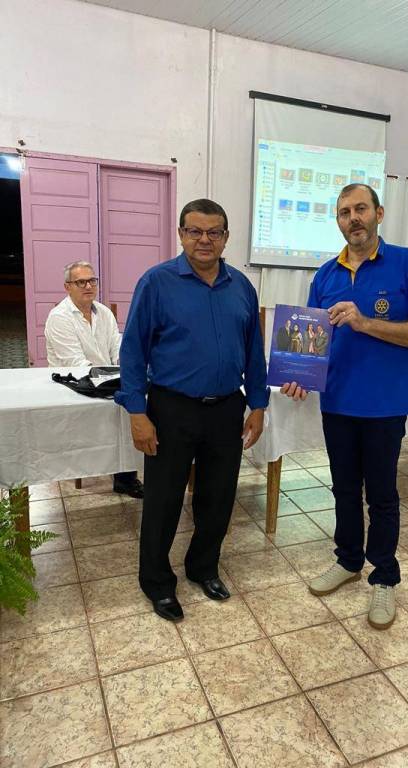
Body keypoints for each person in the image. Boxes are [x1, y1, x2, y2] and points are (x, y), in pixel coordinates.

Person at [282, 184, 408, 630]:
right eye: (344, 212)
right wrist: (298, 374)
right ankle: (348, 560)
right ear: (338, 220)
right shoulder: (325, 275)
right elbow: (309, 341)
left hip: (385, 405)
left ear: (379, 213)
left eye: (361, 209)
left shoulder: (407, 263)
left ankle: (384, 576)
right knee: (344, 490)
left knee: (383, 496)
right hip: (337, 403)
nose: (353, 218)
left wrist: (364, 322)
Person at [116, 199, 268, 622]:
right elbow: (132, 351)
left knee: (218, 498)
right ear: (181, 234)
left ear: (225, 237)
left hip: (226, 409)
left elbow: (253, 352)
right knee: (163, 501)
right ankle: (157, 582)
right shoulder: (157, 282)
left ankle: (203, 568)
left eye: (213, 232)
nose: (204, 240)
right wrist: (137, 412)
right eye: (195, 231)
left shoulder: (241, 286)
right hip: (171, 409)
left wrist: (258, 403)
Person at [44, 261, 143, 499]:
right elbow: (75, 363)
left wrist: (125, 370)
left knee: (132, 404)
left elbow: (117, 349)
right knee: (114, 408)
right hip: (74, 386)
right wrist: (112, 378)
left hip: (105, 379)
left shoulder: (104, 312)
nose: (88, 286)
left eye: (92, 280)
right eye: (81, 282)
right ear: (67, 286)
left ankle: (125, 477)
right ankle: (102, 468)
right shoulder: (59, 317)